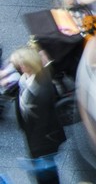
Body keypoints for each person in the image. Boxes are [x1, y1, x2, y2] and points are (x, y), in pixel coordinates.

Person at [10, 47, 66, 184]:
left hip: (44, 142)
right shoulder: (26, 79)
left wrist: (36, 154)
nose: (19, 66)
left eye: (22, 64)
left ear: (30, 65)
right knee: (44, 173)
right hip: (34, 136)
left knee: (46, 175)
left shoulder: (42, 92)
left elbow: (43, 125)